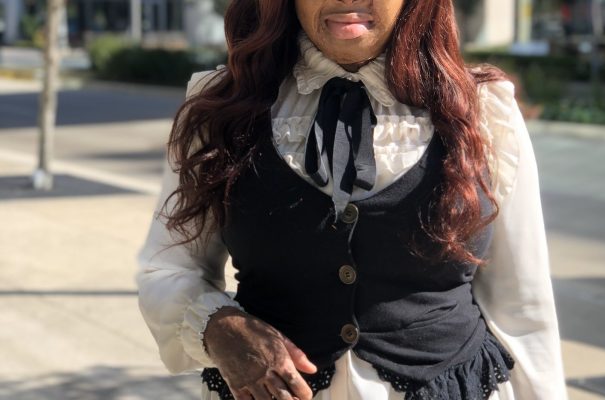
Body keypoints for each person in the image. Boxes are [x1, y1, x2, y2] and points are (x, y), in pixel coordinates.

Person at [136, 1, 568, 399]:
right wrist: (219, 327)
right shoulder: (220, 109)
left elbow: (523, 306)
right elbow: (168, 268)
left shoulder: (482, 111)